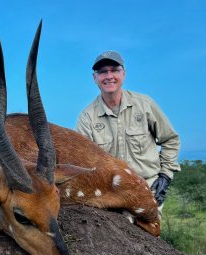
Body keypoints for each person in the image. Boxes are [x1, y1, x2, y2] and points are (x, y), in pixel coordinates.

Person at [76, 50, 181, 208]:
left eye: (114, 70)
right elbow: (81, 161)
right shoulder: (87, 117)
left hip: (148, 187)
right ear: (95, 78)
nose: (109, 76)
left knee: (148, 232)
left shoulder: (145, 105)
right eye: (103, 72)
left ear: (123, 74)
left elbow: (170, 140)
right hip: (109, 194)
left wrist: (165, 176)